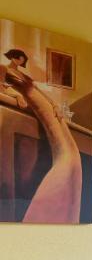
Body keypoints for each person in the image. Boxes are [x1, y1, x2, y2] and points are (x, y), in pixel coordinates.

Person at [1, 48, 81, 223]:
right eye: (21, 58)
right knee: (66, 154)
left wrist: (54, 104)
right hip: (34, 104)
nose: (23, 61)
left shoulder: (23, 75)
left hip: (44, 105)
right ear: (16, 58)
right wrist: (14, 94)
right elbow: (1, 87)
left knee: (69, 148)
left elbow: (39, 91)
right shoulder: (4, 69)